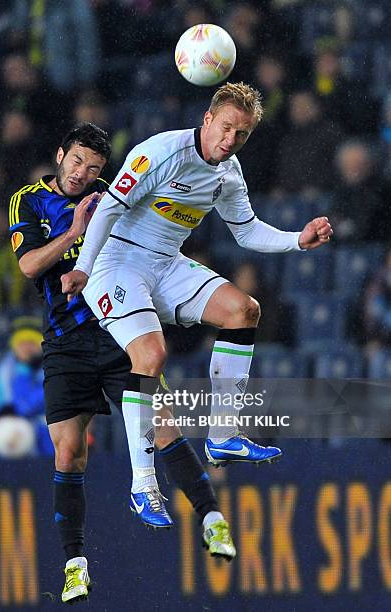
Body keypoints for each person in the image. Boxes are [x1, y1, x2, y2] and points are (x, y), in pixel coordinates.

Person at [62, 82, 333, 508]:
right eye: (225, 128)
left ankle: (223, 437)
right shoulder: (162, 152)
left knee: (244, 310)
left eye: (241, 134)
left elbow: (245, 230)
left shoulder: (229, 172)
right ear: (207, 119)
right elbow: (110, 208)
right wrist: (81, 267)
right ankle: (143, 485)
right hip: (116, 263)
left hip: (167, 262)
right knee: (150, 357)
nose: (230, 141)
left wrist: (297, 239)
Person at [10, 122, 235, 604]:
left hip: (117, 329)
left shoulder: (116, 196)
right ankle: (74, 564)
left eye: (92, 167)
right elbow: (29, 266)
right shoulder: (29, 200)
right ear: (59, 154)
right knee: (69, 452)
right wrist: (74, 230)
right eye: (76, 161)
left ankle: (212, 519)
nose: (81, 173)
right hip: (65, 343)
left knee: (163, 424)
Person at [0, 316, 53, 456]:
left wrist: (25, 371)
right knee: (6, 429)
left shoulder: (54, 368)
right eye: (21, 343)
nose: (26, 348)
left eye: (31, 342)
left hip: (47, 437)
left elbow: (27, 405)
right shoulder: (5, 371)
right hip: (14, 439)